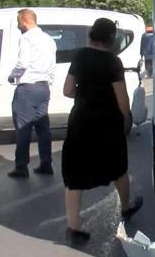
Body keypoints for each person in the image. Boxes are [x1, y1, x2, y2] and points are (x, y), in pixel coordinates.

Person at [61, 18, 143, 245]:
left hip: (80, 121)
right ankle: (126, 208)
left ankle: (74, 228)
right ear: (111, 39)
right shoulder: (112, 62)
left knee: (75, 175)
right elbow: (123, 101)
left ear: (91, 35)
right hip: (107, 124)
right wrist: (126, 116)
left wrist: (84, 93)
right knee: (118, 168)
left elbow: (67, 90)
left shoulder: (79, 57)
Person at [7, 9, 56, 178]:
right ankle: (46, 163)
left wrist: (12, 76)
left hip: (27, 88)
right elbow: (52, 65)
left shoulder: (26, 38)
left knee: (23, 128)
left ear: (25, 21)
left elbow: (23, 63)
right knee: (43, 128)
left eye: (19, 22)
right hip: (43, 87)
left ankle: (21, 166)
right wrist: (48, 82)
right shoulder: (48, 39)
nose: (18, 26)